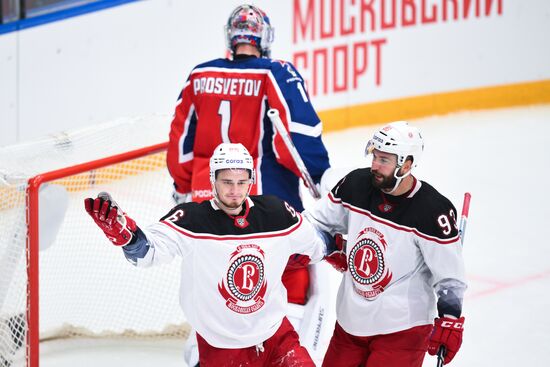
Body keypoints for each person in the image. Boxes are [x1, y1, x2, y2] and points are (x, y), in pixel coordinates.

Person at [165, 4, 332, 364]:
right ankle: (285, 349)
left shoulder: (199, 75)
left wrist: (184, 189)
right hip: (262, 198)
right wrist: (320, 176)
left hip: (207, 200)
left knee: (214, 282)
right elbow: (300, 133)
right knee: (289, 271)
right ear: (263, 37)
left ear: (232, 36)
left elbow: (180, 144)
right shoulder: (276, 72)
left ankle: (201, 354)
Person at [84, 143, 337, 367]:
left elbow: (315, 244)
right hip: (222, 347)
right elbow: (148, 252)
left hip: (276, 336)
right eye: (227, 182)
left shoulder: (275, 213)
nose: (235, 191)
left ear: (251, 180)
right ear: (213, 180)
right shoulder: (192, 219)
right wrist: (126, 235)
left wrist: (336, 247)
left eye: (241, 182)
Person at [304, 121, 467, 366]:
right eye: (375, 156)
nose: (375, 166)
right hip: (351, 323)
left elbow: (449, 277)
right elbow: (316, 223)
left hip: (402, 331)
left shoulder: (432, 211)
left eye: (384, 160)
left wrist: (450, 318)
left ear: (407, 164)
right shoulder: (355, 184)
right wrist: (330, 245)